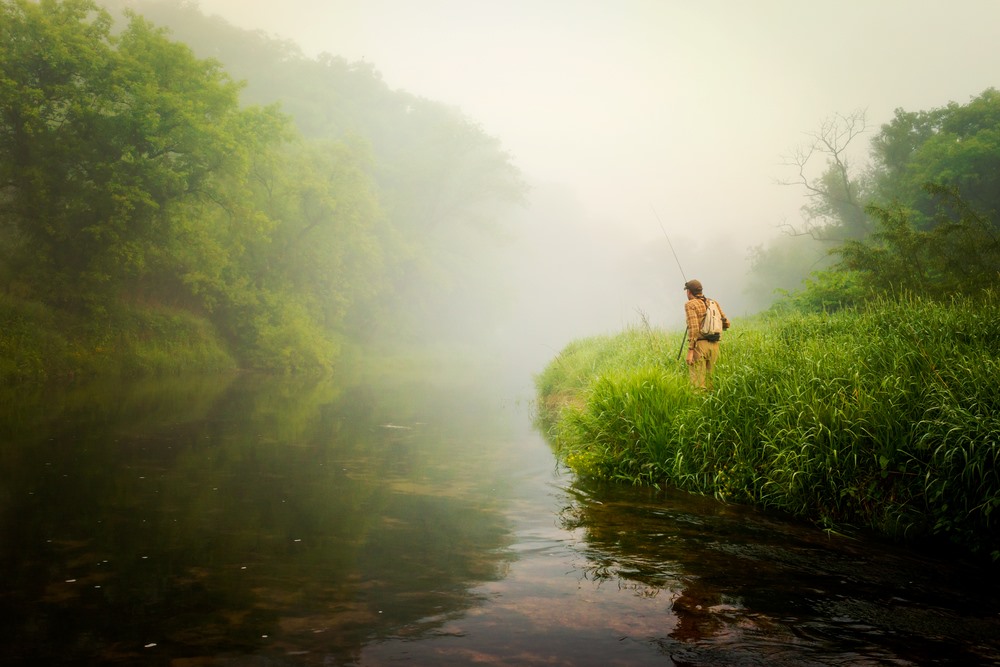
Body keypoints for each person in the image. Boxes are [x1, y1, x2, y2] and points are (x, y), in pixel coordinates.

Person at [683, 279, 730, 389]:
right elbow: (726, 323)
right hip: (715, 345)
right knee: (711, 382)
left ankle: (699, 405)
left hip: (699, 346)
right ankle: (710, 405)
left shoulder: (690, 304)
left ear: (689, 292)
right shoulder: (713, 302)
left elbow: (694, 329)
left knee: (698, 384)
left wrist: (690, 351)